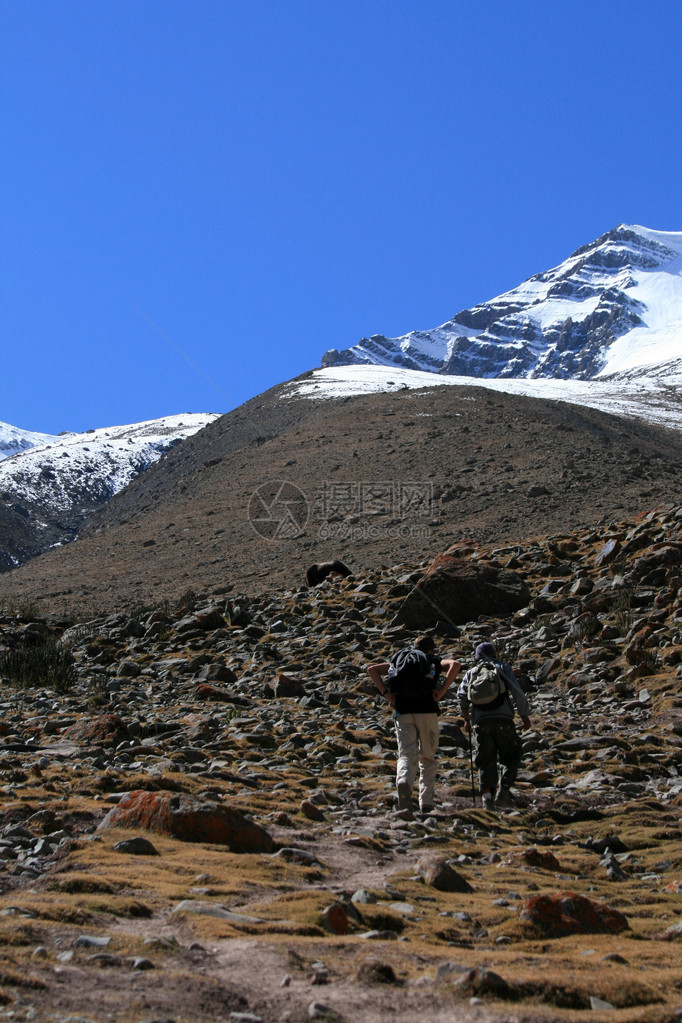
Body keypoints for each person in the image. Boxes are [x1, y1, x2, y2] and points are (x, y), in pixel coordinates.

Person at [368, 635, 461, 817]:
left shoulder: (399, 659)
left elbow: (372, 670)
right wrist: (442, 691)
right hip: (427, 711)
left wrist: (387, 694)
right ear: (430, 649)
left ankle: (404, 781)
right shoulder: (431, 659)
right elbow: (455, 665)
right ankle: (426, 803)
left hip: (402, 711)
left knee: (406, 754)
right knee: (427, 757)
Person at [457, 641, 531, 810]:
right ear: (494, 655)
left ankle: (487, 799)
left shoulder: (471, 673)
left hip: (480, 723)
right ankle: (503, 791)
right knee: (512, 756)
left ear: (476, 657)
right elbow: (517, 691)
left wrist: (467, 719)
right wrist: (524, 716)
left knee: (484, 760)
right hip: (504, 720)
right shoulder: (503, 668)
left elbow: (461, 696)